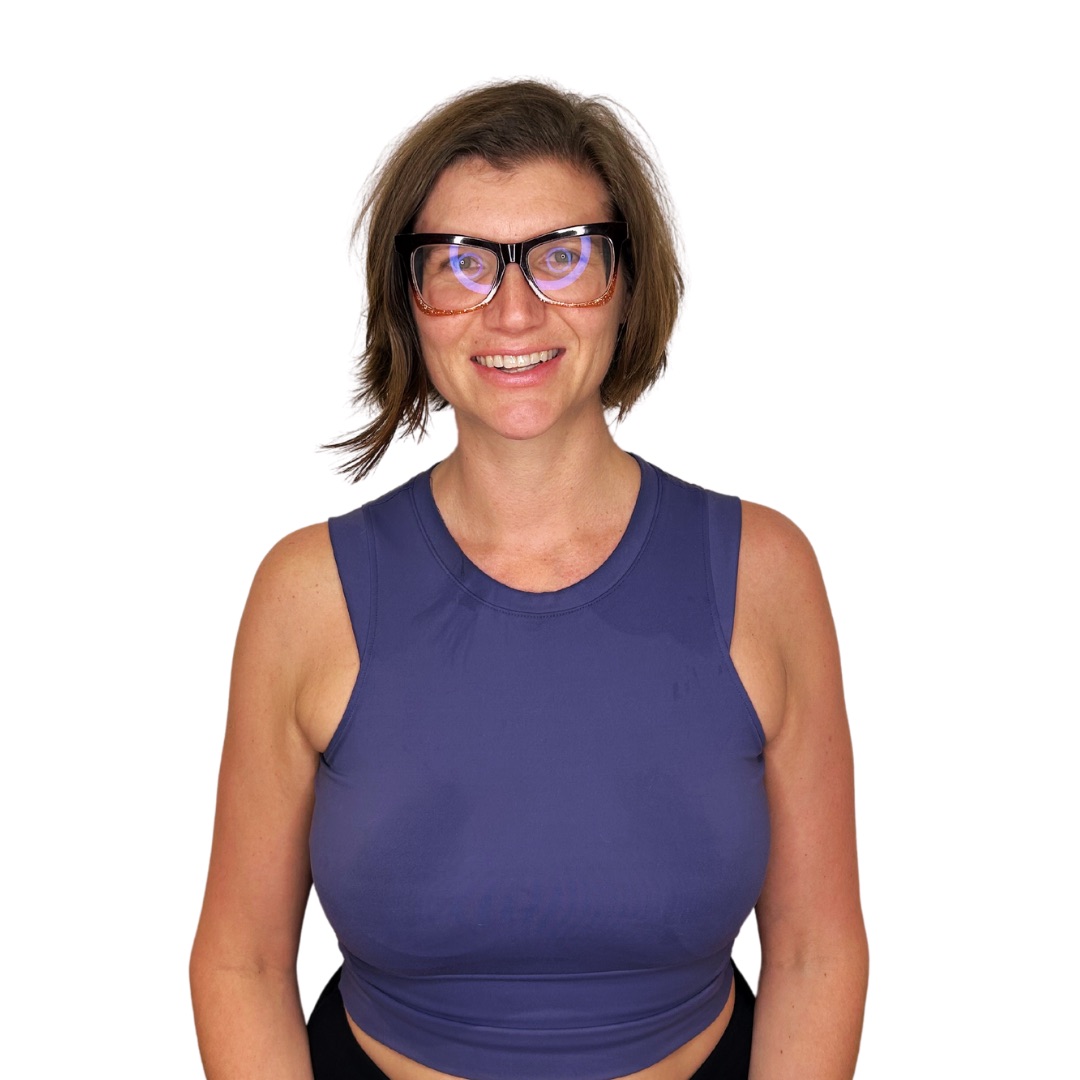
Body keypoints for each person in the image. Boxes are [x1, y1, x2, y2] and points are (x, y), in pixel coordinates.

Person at [190, 80, 868, 1080]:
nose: (513, 309)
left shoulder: (766, 574)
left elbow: (817, 952)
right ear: (409, 301)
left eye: (562, 256)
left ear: (627, 284)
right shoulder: (306, 593)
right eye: (463, 262)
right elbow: (239, 961)